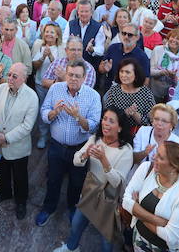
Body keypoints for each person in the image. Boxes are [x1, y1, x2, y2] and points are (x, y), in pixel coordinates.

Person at [53, 107, 134, 252]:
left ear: (120, 128)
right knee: (77, 224)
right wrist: (84, 155)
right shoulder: (95, 139)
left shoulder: (126, 151)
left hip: (108, 201)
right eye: (104, 119)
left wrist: (104, 160)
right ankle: (71, 248)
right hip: (89, 193)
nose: (105, 123)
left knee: (105, 240)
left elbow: (117, 182)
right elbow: (76, 160)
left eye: (111, 121)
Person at [36, 59, 102, 227]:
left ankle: (72, 208)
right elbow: (44, 112)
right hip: (56, 146)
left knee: (76, 182)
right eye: (70, 75)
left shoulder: (93, 96)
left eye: (77, 76)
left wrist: (78, 117)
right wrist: (54, 112)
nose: (73, 79)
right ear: (66, 74)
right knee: (53, 179)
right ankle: (48, 208)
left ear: (84, 77)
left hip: (79, 149)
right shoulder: (55, 88)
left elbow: (93, 125)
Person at [0, 62, 38, 219]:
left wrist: (6, 138)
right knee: (2, 171)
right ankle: (5, 193)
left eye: (14, 76)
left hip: (18, 147)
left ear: (24, 78)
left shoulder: (32, 97)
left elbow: (27, 126)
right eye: (9, 74)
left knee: (20, 176)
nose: (10, 78)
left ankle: (21, 201)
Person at [122, 140, 179, 252]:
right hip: (139, 241)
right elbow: (126, 201)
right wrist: (158, 221)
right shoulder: (146, 168)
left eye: (160, 157)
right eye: (156, 152)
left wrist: (137, 210)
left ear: (174, 167)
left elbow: (171, 236)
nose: (154, 157)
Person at [103, 56, 155, 128]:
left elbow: (152, 122)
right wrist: (124, 114)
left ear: (136, 74)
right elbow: (107, 116)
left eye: (127, 72)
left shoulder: (146, 93)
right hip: (117, 132)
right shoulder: (113, 91)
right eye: (121, 71)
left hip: (140, 134)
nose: (123, 75)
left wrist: (136, 115)